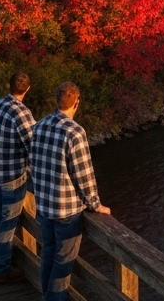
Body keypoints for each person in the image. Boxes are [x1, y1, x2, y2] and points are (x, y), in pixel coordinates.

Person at [29, 82, 111, 301]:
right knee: (63, 262)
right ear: (77, 102)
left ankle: (46, 295)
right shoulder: (75, 132)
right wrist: (96, 204)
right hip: (67, 211)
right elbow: (83, 175)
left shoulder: (39, 126)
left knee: (47, 253)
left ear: (56, 100)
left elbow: (33, 163)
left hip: (44, 205)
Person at [0, 72, 35, 283]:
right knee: (8, 222)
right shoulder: (22, 114)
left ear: (9, 85)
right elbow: (34, 147)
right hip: (12, 176)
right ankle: (1, 268)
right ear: (27, 89)